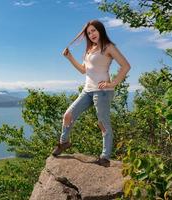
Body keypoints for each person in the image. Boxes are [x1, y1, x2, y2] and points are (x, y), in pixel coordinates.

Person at [52, 19, 131, 166]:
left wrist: (112, 83)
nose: (91, 34)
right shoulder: (90, 50)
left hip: (102, 92)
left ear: (100, 30)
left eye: (94, 30)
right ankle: (64, 142)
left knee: (103, 123)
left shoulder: (108, 47)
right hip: (87, 90)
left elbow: (126, 66)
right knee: (68, 115)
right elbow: (84, 70)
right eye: (89, 33)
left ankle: (105, 157)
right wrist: (69, 58)